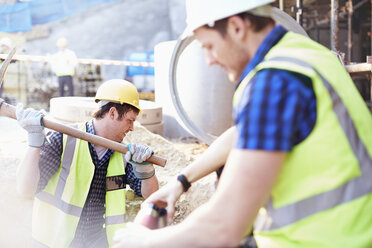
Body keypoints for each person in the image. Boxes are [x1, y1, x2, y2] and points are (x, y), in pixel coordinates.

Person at [112, 0, 372, 247]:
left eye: (209, 46)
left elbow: (225, 226)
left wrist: (146, 242)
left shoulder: (274, 82)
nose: (209, 60)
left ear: (237, 27)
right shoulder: (305, 54)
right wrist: (179, 183)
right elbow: (242, 134)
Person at [16, 79, 159, 247]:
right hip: (55, 241)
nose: (132, 128)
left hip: (98, 241)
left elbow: (151, 195)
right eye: (130, 120)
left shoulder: (123, 154)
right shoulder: (63, 140)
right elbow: (25, 190)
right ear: (112, 113)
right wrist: (34, 144)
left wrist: (145, 169)